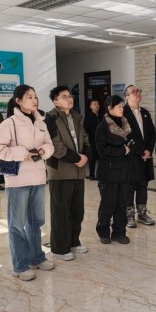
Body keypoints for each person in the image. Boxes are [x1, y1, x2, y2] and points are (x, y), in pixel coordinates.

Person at [0, 85, 55, 281]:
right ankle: (19, 265)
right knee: (17, 224)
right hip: (18, 180)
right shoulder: (9, 123)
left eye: (35, 97)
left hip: (38, 178)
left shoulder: (40, 121)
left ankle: (37, 257)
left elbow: (49, 144)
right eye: (29, 97)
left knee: (36, 221)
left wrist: (43, 151)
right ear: (18, 101)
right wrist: (23, 153)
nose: (34, 100)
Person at [45, 86, 91, 261]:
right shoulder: (50, 119)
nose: (70, 99)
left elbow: (85, 138)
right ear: (55, 101)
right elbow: (55, 145)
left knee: (77, 210)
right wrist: (77, 158)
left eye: (70, 96)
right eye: (64, 97)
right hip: (61, 172)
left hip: (78, 172)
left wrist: (86, 155)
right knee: (61, 212)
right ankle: (59, 248)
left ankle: (73, 242)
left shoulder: (77, 117)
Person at [95, 95, 144, 245]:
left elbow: (133, 142)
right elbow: (102, 150)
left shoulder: (126, 124)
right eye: (118, 106)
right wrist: (122, 150)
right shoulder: (102, 127)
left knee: (122, 204)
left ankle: (119, 232)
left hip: (125, 171)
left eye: (122, 106)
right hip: (109, 172)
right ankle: (103, 232)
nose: (122, 108)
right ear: (109, 108)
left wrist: (136, 149)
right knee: (108, 204)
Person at [123, 85, 156, 228]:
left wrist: (148, 150)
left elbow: (152, 133)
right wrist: (142, 151)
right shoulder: (123, 113)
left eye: (138, 91)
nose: (137, 93)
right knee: (130, 185)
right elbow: (127, 136)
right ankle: (129, 215)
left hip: (145, 157)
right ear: (127, 97)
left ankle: (142, 213)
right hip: (131, 156)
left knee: (143, 184)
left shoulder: (145, 113)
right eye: (134, 92)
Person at [84, 99, 102, 180]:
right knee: (92, 158)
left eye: (97, 104)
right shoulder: (88, 117)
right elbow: (85, 129)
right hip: (92, 140)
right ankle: (91, 175)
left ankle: (99, 175)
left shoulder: (102, 116)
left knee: (101, 158)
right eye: (94, 104)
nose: (96, 105)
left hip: (101, 141)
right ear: (90, 106)